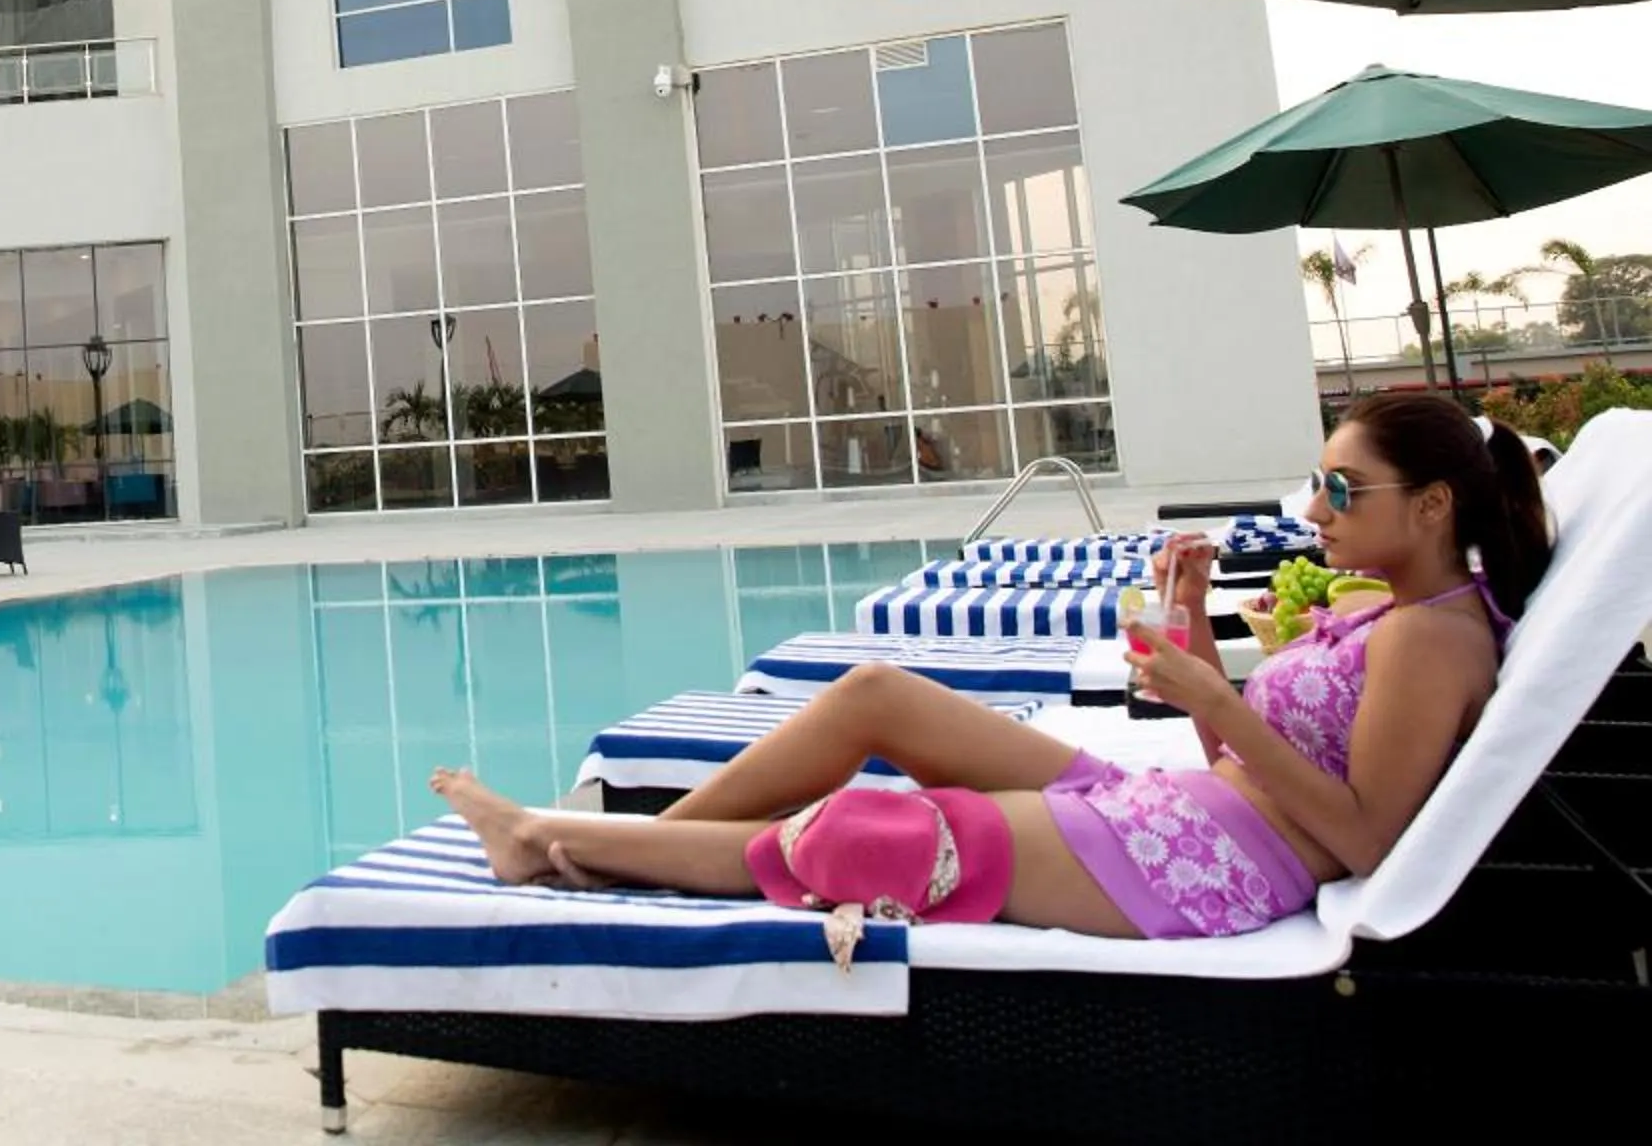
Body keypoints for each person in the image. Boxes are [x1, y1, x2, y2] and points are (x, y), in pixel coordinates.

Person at [433, 392, 1552, 948]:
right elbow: (1245, 753)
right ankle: (661, 844)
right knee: (876, 693)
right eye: (1321, 480)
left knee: (864, 829)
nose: (1317, 509)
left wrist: (1217, 700)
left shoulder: (1429, 636)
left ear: (1437, 502)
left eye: (1343, 489)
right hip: (1187, 807)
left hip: (1209, 865)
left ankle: (553, 842)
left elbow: (1362, 839)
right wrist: (1202, 656)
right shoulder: (1387, 607)